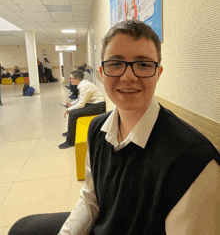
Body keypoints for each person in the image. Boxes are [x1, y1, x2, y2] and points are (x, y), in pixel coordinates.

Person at [8, 20, 220, 235]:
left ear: (158, 73)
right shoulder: (97, 128)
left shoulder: (194, 160)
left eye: (143, 64)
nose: (128, 76)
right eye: (116, 64)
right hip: (103, 225)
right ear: (102, 72)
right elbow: (91, 198)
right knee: (22, 229)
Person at [59, 70, 106, 149]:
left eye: (71, 78)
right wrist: (72, 104)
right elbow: (80, 99)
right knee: (73, 111)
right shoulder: (82, 84)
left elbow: (81, 104)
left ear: (76, 79)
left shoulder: (84, 86)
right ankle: (70, 132)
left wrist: (70, 109)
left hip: (99, 106)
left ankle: (70, 141)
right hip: (92, 103)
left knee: (73, 113)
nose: (70, 80)